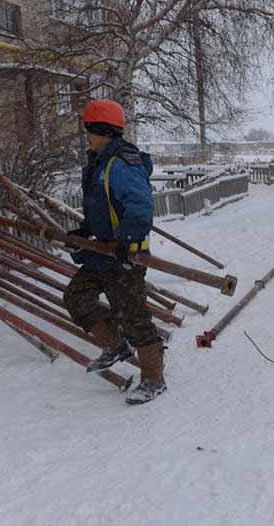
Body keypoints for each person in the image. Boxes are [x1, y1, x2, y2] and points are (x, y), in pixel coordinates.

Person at [63, 99, 167, 405]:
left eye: (91, 132)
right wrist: (85, 230)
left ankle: (154, 379)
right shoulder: (100, 162)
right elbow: (103, 208)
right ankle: (115, 346)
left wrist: (126, 240)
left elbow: (140, 208)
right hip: (101, 253)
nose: (88, 138)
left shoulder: (122, 163)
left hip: (125, 256)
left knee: (135, 318)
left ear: (105, 132)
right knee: (76, 298)